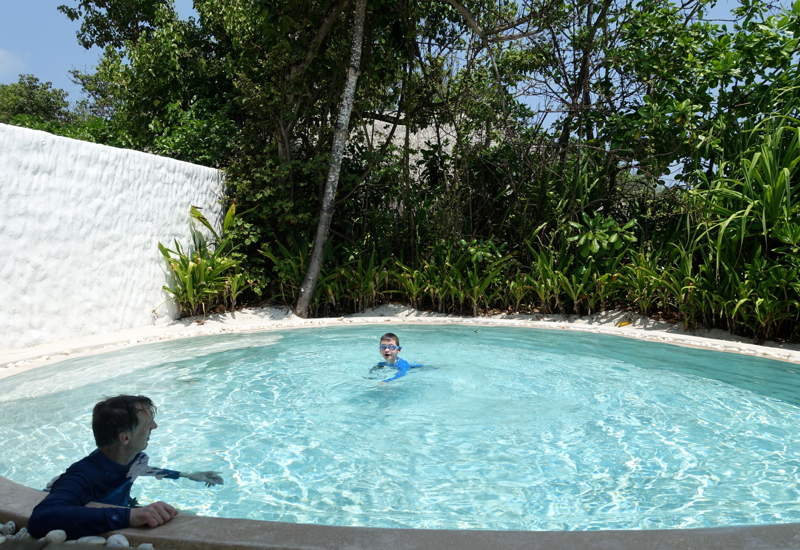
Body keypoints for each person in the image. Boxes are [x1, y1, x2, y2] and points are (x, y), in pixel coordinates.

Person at [27, 395, 223, 540]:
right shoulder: (84, 474)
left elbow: (136, 470)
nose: (154, 426)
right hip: (110, 521)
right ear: (126, 437)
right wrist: (132, 515)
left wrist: (186, 475)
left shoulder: (132, 458)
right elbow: (41, 519)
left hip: (122, 506)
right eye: (148, 423)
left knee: (193, 519)